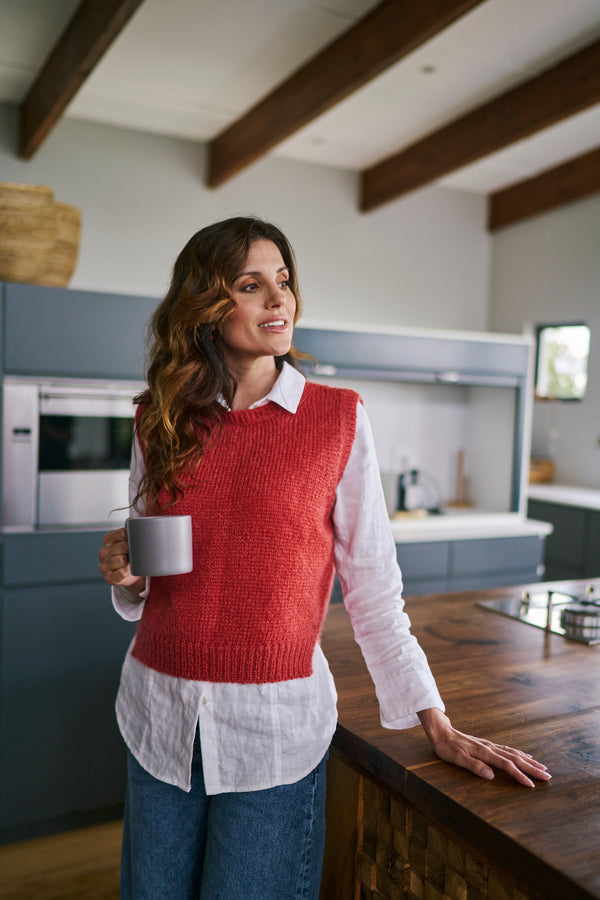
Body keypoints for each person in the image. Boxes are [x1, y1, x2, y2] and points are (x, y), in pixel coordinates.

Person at [98, 216, 550, 900]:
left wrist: (436, 722)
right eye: (252, 285)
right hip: (159, 719)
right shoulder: (155, 416)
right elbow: (149, 575)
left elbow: (372, 590)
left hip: (273, 736)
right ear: (207, 307)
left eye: (283, 281)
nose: (280, 300)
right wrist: (128, 576)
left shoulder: (338, 419)